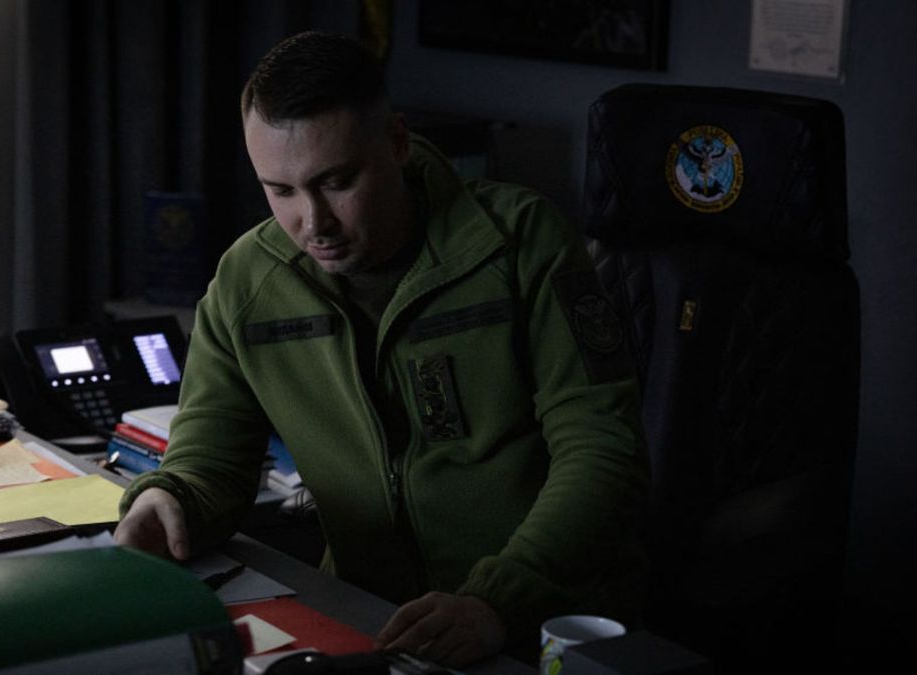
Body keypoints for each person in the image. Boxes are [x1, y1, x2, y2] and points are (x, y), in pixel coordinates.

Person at [115, 30, 648, 667]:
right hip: (366, 620)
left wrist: (498, 600)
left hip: (542, 620)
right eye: (281, 191)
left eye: (337, 181)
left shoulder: (521, 241)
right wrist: (167, 499)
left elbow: (601, 448)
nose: (313, 223)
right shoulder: (246, 283)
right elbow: (211, 460)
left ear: (397, 142)